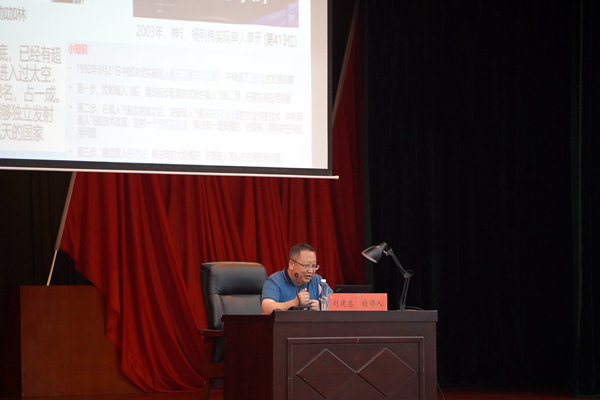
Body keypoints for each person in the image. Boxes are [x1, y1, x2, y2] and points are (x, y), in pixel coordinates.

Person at [261, 243, 332, 314]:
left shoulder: (317, 280)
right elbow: (266, 309)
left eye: (313, 266)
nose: (311, 271)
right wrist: (294, 303)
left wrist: (323, 307)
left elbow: (337, 303)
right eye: (306, 265)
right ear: (291, 264)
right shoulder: (275, 281)